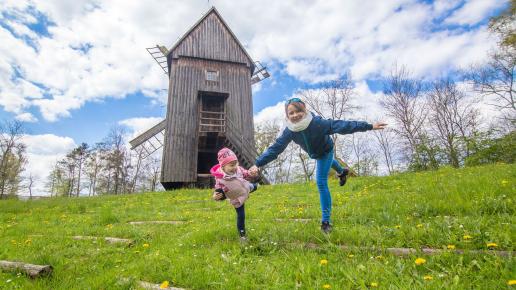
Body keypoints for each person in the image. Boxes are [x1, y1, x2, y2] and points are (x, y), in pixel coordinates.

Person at [249, 98, 387, 234]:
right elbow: (275, 148)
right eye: (291, 113)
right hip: (315, 154)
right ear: (287, 115)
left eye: (298, 111)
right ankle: (342, 171)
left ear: (304, 110)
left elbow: (342, 125)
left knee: (321, 182)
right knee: (328, 163)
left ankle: (325, 222)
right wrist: (258, 163)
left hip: (326, 150)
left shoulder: (317, 123)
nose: (295, 115)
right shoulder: (290, 131)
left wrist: (368, 126)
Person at [211, 147, 258, 242]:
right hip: (236, 196)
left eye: (236, 163)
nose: (235, 167)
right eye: (231, 165)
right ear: (223, 166)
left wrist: (251, 173)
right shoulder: (220, 179)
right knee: (241, 215)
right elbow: (218, 191)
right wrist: (216, 196)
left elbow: (246, 173)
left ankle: (253, 187)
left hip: (244, 187)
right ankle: (242, 235)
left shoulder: (238, 169)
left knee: (251, 187)